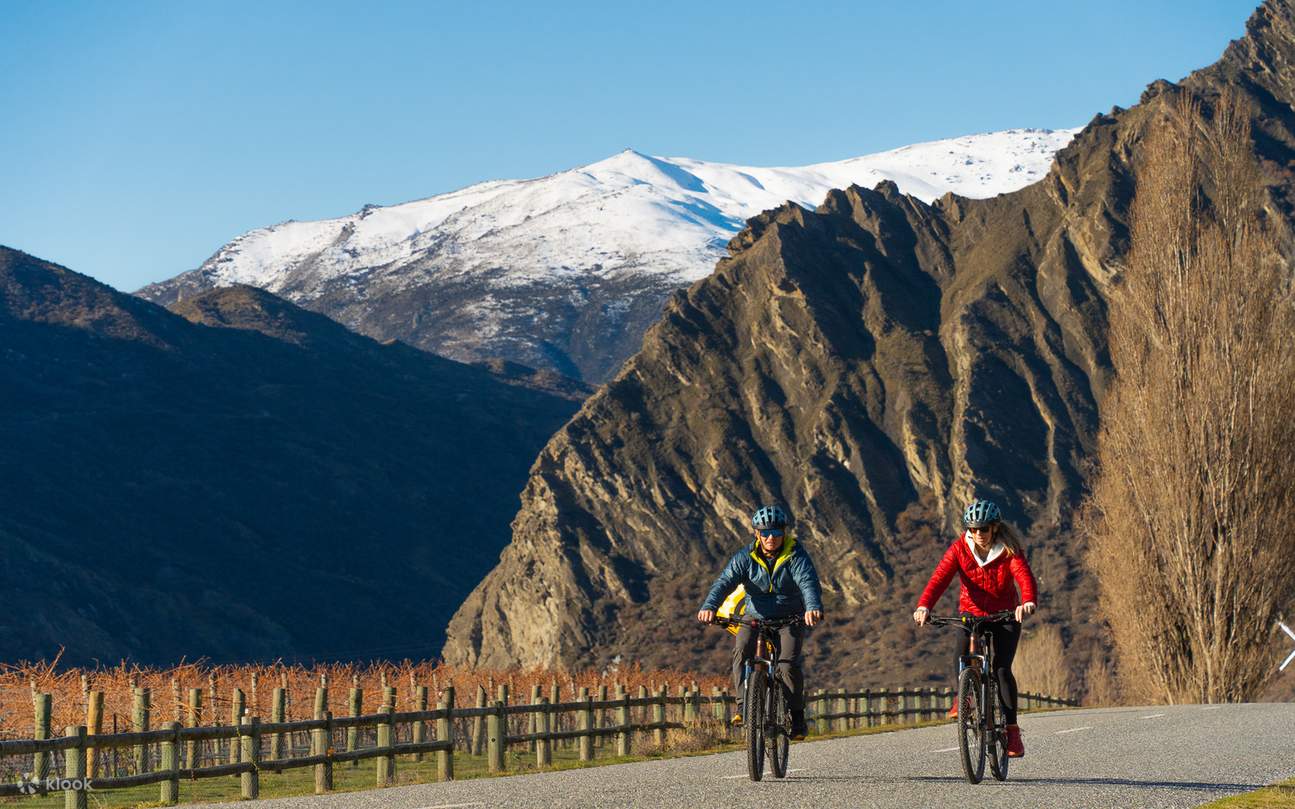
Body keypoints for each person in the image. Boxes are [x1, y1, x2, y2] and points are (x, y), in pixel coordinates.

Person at [912, 498, 1037, 758]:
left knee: (1002, 669)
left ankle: (1012, 732)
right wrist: (924, 605)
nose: (978, 534)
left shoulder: (1008, 549)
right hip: (972, 615)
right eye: (973, 529)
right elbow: (939, 578)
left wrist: (1027, 602)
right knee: (961, 656)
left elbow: (1024, 576)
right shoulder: (959, 548)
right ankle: (965, 696)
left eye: (983, 529)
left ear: (994, 528)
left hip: (1005, 615)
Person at [697, 504, 823, 739]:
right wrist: (709, 606)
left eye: (776, 533)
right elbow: (724, 582)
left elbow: (808, 582)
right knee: (742, 650)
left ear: (784, 533)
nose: (770, 538)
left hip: (790, 619)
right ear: (756, 534)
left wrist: (813, 607)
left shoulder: (795, 555)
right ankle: (744, 705)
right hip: (755, 616)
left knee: (787, 666)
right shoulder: (745, 557)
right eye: (765, 533)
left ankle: (797, 718)